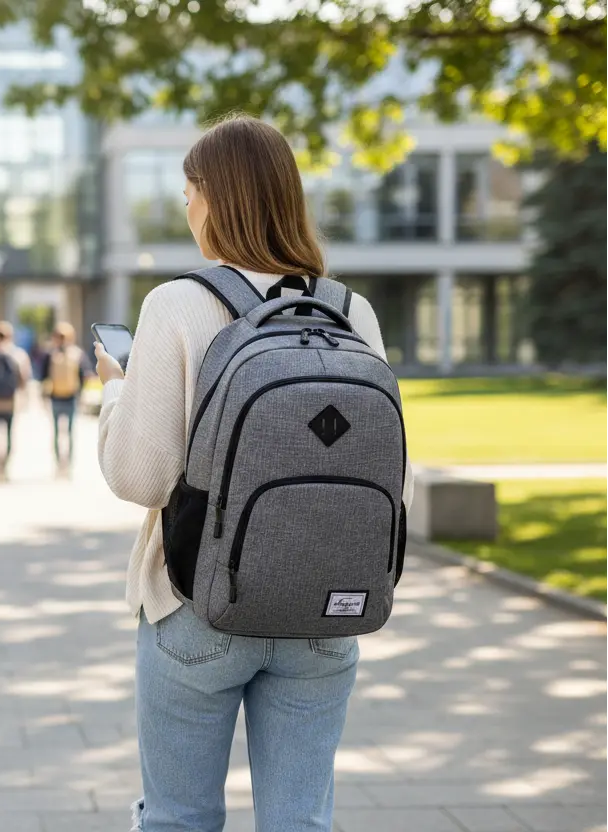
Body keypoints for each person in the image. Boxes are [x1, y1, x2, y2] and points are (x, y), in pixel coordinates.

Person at [94, 116, 414, 832]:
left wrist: (114, 391)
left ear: (215, 199)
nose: (186, 210)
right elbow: (396, 481)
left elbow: (140, 476)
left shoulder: (177, 303)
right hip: (326, 610)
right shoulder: (350, 310)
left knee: (178, 819)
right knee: (301, 822)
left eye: (189, 194)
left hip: (198, 604)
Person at [0, 321, 30, 482]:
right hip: (10, 400)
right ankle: (5, 466)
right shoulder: (18, 354)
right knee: (9, 434)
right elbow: (23, 378)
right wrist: (24, 398)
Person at [40, 322, 91, 475]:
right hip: (58, 397)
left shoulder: (74, 354)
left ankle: (66, 464)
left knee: (67, 432)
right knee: (60, 433)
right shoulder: (53, 355)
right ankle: (61, 463)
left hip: (69, 397)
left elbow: (83, 375)